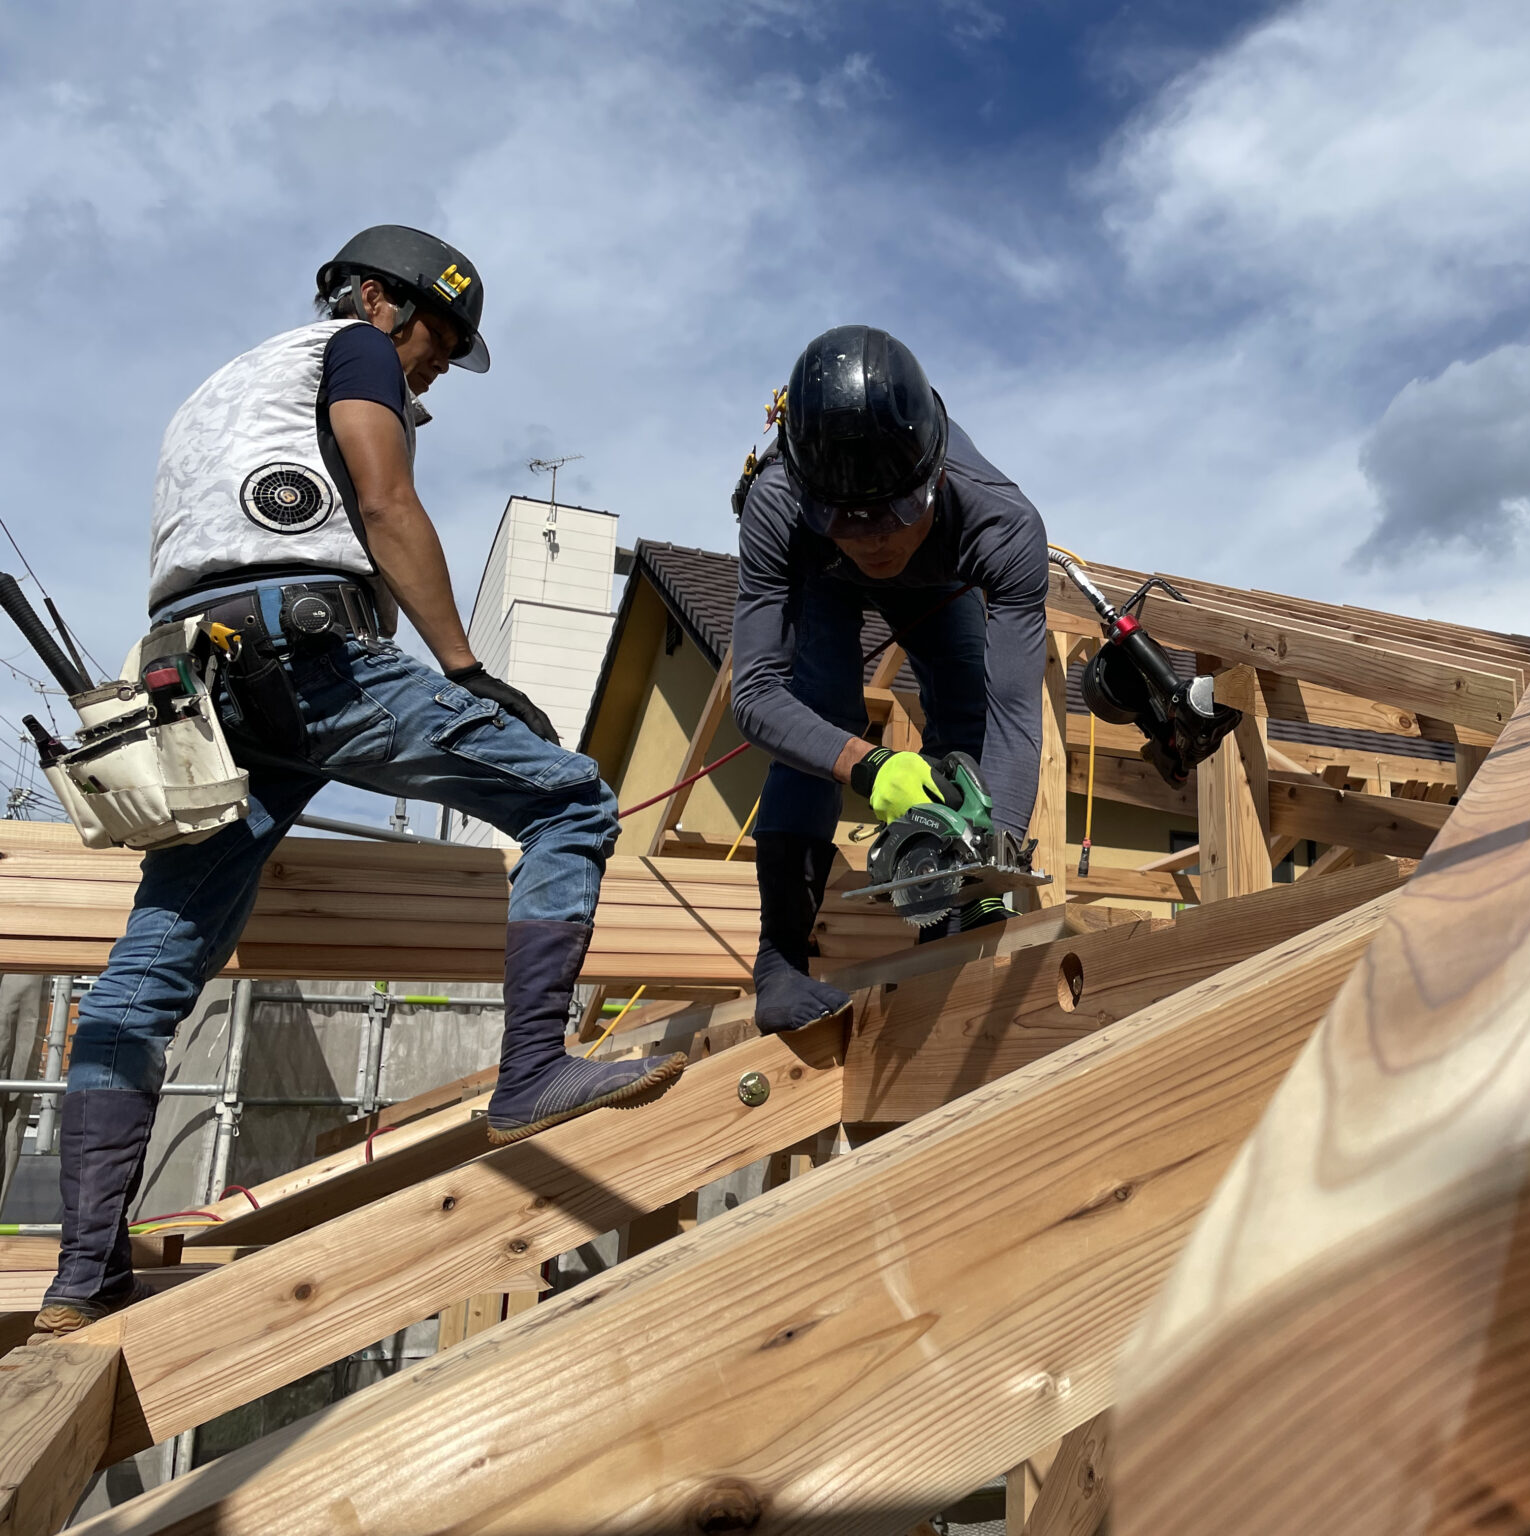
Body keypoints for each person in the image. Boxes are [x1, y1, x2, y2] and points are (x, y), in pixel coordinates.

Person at [33, 226, 681, 1340]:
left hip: (193, 680)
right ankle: (531, 1072)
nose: (435, 367)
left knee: (145, 980)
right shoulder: (352, 349)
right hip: (305, 649)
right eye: (439, 337)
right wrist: (469, 671)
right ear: (381, 300)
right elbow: (384, 508)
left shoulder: (220, 393)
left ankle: (79, 1277)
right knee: (571, 796)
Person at [731, 324, 1050, 1032]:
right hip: (819, 575)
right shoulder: (778, 503)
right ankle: (780, 960)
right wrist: (868, 764)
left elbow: (1014, 714)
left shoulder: (999, 524)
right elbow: (754, 697)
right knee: (819, 710)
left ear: (934, 475)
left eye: (893, 515)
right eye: (848, 518)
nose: (874, 538)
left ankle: (962, 914)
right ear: (813, 498)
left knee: (966, 706)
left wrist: (997, 850)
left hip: (937, 575)